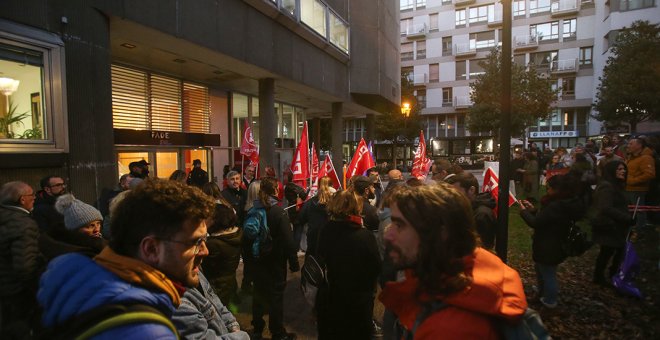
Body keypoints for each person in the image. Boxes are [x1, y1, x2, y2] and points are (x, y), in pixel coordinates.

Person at [38, 179, 216, 338]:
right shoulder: (146, 332)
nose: (204, 251)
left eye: (205, 239)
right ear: (151, 249)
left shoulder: (82, 279)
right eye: (195, 242)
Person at [380, 183, 527, 338]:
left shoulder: (448, 330)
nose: (387, 235)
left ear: (440, 233)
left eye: (399, 225)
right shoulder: (477, 267)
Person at [316, 190, 381, 340]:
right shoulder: (364, 236)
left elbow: (320, 257)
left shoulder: (326, 229)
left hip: (332, 295)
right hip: (358, 299)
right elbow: (376, 266)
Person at [519, 174, 584, 308]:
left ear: (557, 190)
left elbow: (536, 222)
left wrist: (524, 212)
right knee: (541, 269)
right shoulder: (563, 203)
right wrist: (533, 210)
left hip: (549, 245)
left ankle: (549, 300)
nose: (547, 190)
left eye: (549, 188)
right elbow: (546, 219)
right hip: (552, 243)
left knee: (548, 273)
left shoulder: (557, 206)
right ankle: (542, 291)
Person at [248, 177, 299, 340]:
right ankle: (277, 332)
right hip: (275, 260)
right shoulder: (278, 212)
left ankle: (257, 328)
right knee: (276, 295)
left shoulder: (253, 209)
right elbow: (288, 240)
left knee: (259, 293)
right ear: (276, 190)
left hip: (257, 259)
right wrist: (294, 261)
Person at [0, 181, 43, 339]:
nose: (35, 198)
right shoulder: (24, 225)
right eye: (32, 195)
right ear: (22, 199)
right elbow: (25, 266)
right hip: (18, 291)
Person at [591, 161, 632, 286]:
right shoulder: (607, 186)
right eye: (619, 169)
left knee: (618, 250)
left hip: (618, 225)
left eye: (624, 169)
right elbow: (605, 207)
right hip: (610, 225)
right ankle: (599, 276)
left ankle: (613, 273)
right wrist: (625, 218)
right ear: (612, 171)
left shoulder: (618, 185)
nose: (623, 171)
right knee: (607, 251)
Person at [202, 198, 243, 311]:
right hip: (229, 281)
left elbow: (203, 266)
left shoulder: (214, 244)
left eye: (208, 218)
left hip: (216, 285)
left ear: (216, 221)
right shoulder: (235, 235)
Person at [40, 194, 106, 260]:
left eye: (98, 223)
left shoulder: (99, 245)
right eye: (90, 226)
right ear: (75, 228)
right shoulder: (72, 252)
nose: (97, 229)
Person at [445, 172, 497, 250]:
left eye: (457, 193)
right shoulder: (469, 209)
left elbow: (484, 248)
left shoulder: (482, 214)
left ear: (471, 190)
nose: (453, 197)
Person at [625, 136, 656, 234]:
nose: (628, 146)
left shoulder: (646, 158)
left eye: (631, 144)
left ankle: (639, 230)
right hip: (628, 188)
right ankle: (631, 228)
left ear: (639, 145)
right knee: (631, 211)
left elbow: (649, 174)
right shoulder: (631, 157)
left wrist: (633, 180)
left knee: (639, 211)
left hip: (637, 189)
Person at [298, 176, 334, 257]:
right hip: (331, 238)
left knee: (313, 264)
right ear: (332, 186)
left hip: (314, 238)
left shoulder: (310, 202)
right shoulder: (336, 202)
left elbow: (301, 218)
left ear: (318, 186)